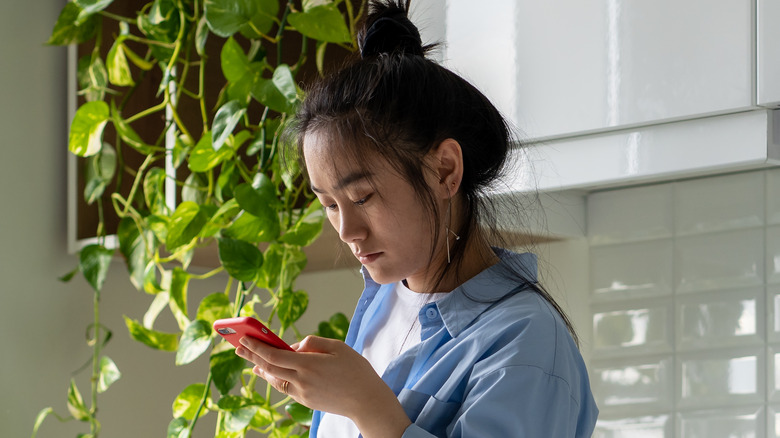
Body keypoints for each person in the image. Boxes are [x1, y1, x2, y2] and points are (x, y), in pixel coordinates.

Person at [234, 1, 599, 436]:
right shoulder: (384, 306)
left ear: (445, 170)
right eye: (330, 204)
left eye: (363, 196)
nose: (348, 231)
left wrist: (366, 405)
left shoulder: (528, 342)